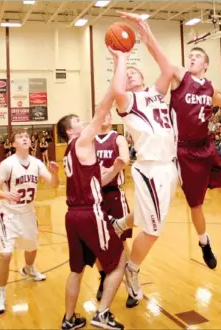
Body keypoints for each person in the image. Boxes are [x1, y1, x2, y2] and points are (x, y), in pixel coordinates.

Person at [119, 12, 221, 268]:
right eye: (191, 56)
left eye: (197, 57)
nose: (192, 59)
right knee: (196, 206)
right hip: (184, 152)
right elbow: (159, 56)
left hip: (206, 147)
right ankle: (203, 241)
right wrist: (145, 31)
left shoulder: (209, 87)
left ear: (206, 64)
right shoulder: (179, 77)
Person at [110, 25, 177, 301]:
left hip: (169, 167)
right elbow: (116, 90)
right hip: (149, 168)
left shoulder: (155, 94)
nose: (130, 75)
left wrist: (148, 33)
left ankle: (118, 225)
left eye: (134, 72)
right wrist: (121, 57)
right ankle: (133, 270)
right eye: (126, 75)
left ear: (143, 76)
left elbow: (169, 71)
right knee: (153, 229)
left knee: (149, 217)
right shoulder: (128, 101)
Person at [57, 87, 127, 330]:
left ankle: (69, 319)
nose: (82, 121)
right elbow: (101, 112)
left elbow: (98, 180)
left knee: (76, 270)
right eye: (77, 120)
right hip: (90, 213)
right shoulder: (82, 141)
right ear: (69, 131)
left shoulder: (72, 152)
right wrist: (115, 88)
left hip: (72, 215)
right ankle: (103, 313)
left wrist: (116, 170)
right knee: (120, 261)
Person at [0, 129, 59, 314]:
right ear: (13, 144)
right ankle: (1, 294)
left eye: (27, 136)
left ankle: (28, 269)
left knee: (32, 247)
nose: (25, 138)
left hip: (28, 213)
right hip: (8, 215)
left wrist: (56, 173)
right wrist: (5, 194)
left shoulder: (36, 163)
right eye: (20, 137)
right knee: (5, 254)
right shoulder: (7, 164)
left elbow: (54, 184)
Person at [95, 112, 138, 308]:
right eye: (100, 114)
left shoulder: (117, 138)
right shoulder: (90, 140)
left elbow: (125, 157)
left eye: (107, 114)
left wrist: (119, 162)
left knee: (120, 244)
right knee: (96, 242)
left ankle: (132, 285)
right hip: (94, 196)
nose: (104, 117)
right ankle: (103, 277)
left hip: (113, 195)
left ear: (111, 118)